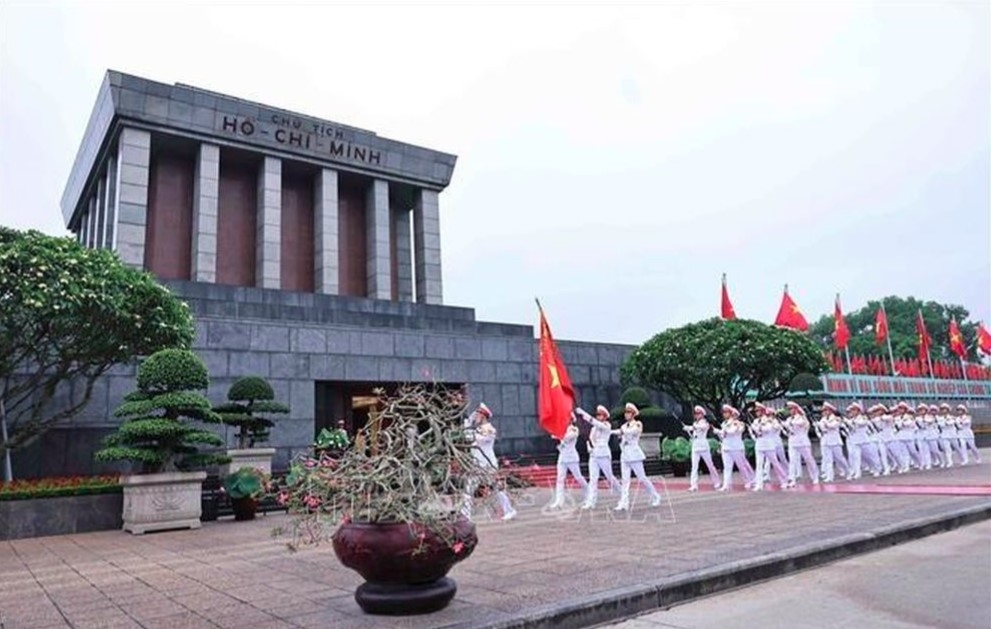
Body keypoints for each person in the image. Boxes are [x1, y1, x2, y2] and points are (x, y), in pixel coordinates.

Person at [462, 403, 517, 521]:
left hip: (488, 464)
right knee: (469, 488)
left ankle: (509, 510)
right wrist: (467, 424)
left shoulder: (490, 429)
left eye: (477, 415)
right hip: (477, 463)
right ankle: (465, 514)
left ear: (483, 416)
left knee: (497, 488)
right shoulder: (478, 429)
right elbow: (467, 438)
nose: (475, 417)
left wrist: (469, 428)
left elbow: (480, 439)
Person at [613, 403, 662, 510]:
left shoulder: (637, 424)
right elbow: (620, 432)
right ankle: (624, 502)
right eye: (626, 412)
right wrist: (609, 431)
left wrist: (621, 432)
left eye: (629, 412)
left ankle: (656, 496)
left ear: (633, 414)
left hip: (634, 454)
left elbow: (631, 432)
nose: (626, 414)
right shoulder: (623, 426)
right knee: (625, 480)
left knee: (642, 478)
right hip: (625, 454)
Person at [575, 405, 622, 509]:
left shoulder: (607, 426)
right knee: (593, 479)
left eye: (600, 415)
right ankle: (591, 501)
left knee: (609, 477)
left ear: (605, 416)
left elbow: (595, 422)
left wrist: (583, 413)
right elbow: (592, 439)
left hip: (603, 454)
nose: (598, 416)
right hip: (594, 454)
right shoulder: (593, 429)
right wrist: (590, 447)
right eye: (597, 414)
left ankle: (622, 493)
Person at [548, 415, 589, 509]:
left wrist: (557, 432)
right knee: (560, 479)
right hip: (562, 457)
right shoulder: (562, 429)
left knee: (578, 477)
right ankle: (559, 500)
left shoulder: (574, 429)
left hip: (571, 458)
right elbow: (552, 435)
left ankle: (588, 493)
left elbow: (566, 437)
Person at [714, 404, 754, 491]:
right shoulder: (724, 423)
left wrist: (723, 431)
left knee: (741, 466)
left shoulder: (739, 424)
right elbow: (723, 436)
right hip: (726, 447)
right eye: (723, 412)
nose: (724, 414)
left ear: (732, 414)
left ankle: (748, 481)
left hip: (736, 447)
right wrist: (718, 432)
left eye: (726, 412)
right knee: (727, 467)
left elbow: (733, 432)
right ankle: (726, 484)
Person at [684, 406, 721, 492]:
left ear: (702, 414)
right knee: (694, 467)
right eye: (695, 414)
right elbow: (694, 431)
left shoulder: (705, 423)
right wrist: (688, 428)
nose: (696, 415)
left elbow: (702, 427)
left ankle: (717, 482)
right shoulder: (695, 423)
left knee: (710, 465)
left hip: (703, 446)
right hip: (695, 446)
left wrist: (692, 427)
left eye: (698, 413)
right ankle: (693, 485)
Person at [752, 408, 789, 491]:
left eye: (758, 411)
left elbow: (768, 429)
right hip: (759, 444)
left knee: (775, 463)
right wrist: (758, 428)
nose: (756, 413)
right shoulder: (756, 421)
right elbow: (754, 428)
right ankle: (759, 484)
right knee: (759, 464)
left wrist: (760, 427)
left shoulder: (770, 421)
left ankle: (784, 480)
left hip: (769, 444)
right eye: (756, 411)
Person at [783, 401, 819, 487]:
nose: (790, 411)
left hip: (802, 441)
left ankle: (815, 476)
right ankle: (792, 479)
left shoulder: (802, 418)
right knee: (792, 461)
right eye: (789, 409)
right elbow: (787, 427)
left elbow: (801, 424)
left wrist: (789, 424)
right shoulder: (789, 419)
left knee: (808, 459)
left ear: (796, 409)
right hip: (792, 441)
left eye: (791, 409)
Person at [817, 402, 851, 482]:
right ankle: (829, 476)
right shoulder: (823, 419)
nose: (824, 412)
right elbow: (823, 429)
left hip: (835, 441)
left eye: (826, 410)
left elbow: (833, 426)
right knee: (828, 459)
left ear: (831, 411)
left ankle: (848, 471)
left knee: (840, 458)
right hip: (826, 441)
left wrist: (825, 424)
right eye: (823, 411)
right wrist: (821, 425)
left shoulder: (836, 419)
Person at [894, 403, 924, 470]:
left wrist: (902, 423)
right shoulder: (897, 418)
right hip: (901, 436)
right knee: (904, 452)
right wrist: (902, 423)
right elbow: (897, 426)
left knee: (913, 451)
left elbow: (910, 424)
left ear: (905, 409)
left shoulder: (909, 416)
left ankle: (920, 462)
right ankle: (906, 466)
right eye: (899, 408)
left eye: (902, 408)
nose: (900, 410)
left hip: (909, 435)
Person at [869, 404, 894, 476]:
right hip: (881, 438)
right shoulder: (875, 419)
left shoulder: (888, 417)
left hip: (890, 438)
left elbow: (887, 419)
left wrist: (880, 417)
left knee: (895, 454)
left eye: (879, 410)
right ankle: (885, 468)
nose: (877, 412)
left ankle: (902, 464)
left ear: (883, 410)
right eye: (876, 411)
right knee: (882, 454)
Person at [914, 404, 933, 470]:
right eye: (920, 410)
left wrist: (924, 419)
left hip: (927, 434)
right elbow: (915, 426)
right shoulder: (917, 419)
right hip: (920, 434)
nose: (921, 411)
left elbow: (930, 422)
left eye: (923, 410)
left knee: (927, 450)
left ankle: (928, 463)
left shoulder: (929, 417)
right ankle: (922, 463)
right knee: (921, 450)